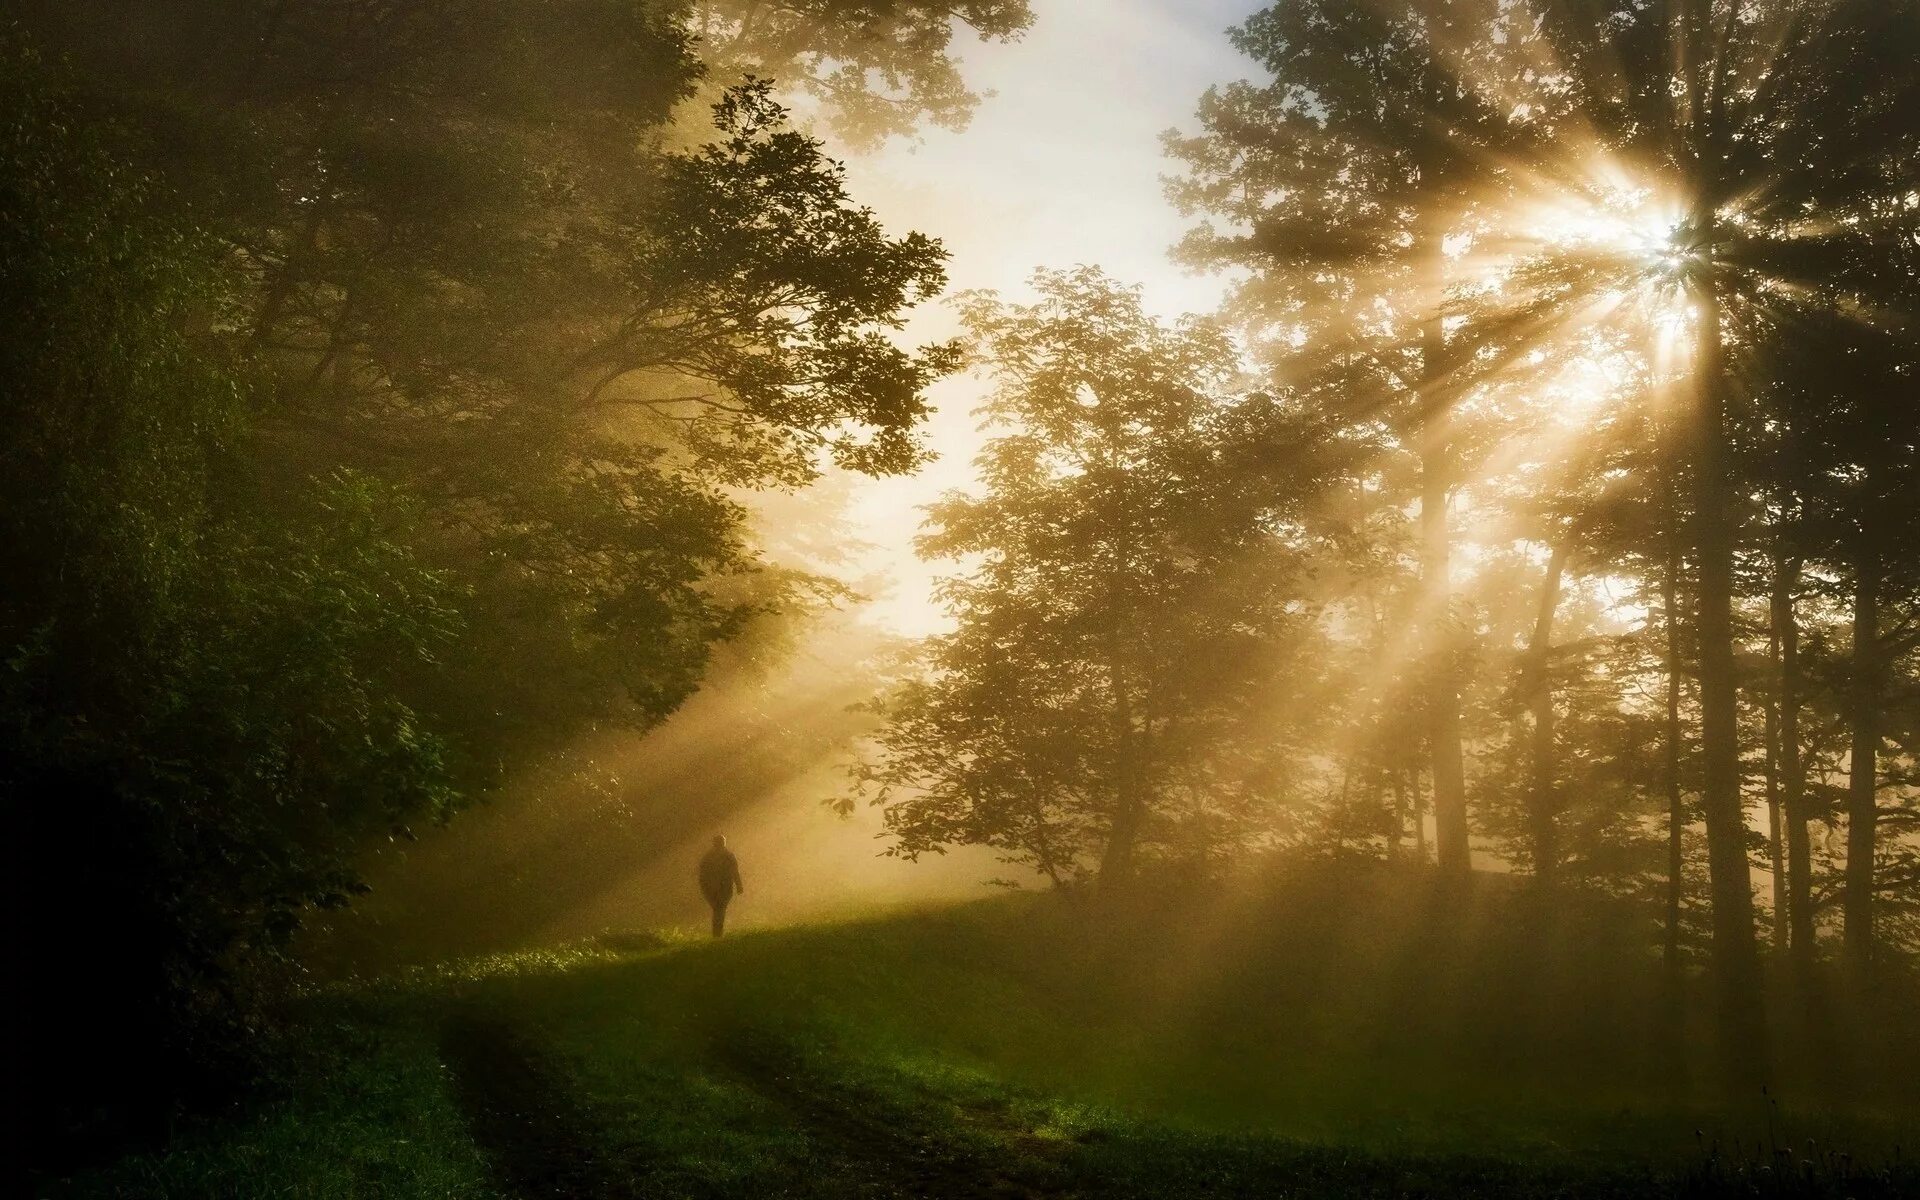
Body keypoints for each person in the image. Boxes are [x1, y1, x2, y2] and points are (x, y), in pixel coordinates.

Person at [697, 834, 744, 937]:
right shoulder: (728, 855)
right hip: (723, 888)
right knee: (720, 909)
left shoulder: (708, 857)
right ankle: (718, 933)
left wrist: (704, 888)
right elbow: (735, 871)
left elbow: (702, 875)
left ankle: (717, 933)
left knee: (717, 909)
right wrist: (739, 885)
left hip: (713, 889)